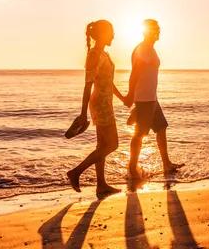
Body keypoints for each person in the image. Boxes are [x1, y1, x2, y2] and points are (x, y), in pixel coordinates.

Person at [66, 20, 125, 197]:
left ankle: (101, 185)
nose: (114, 35)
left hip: (106, 103)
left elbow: (108, 82)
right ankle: (76, 172)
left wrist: (123, 98)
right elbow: (87, 85)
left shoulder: (104, 54)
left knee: (102, 145)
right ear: (101, 34)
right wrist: (83, 113)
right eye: (111, 32)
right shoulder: (93, 55)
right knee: (113, 144)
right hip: (100, 104)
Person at [124, 19, 183, 179]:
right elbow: (135, 73)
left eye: (158, 29)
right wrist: (131, 95)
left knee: (161, 127)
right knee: (140, 134)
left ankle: (167, 164)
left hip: (151, 98)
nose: (158, 32)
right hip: (144, 98)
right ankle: (132, 170)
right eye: (155, 29)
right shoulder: (144, 49)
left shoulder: (149, 48)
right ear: (148, 31)